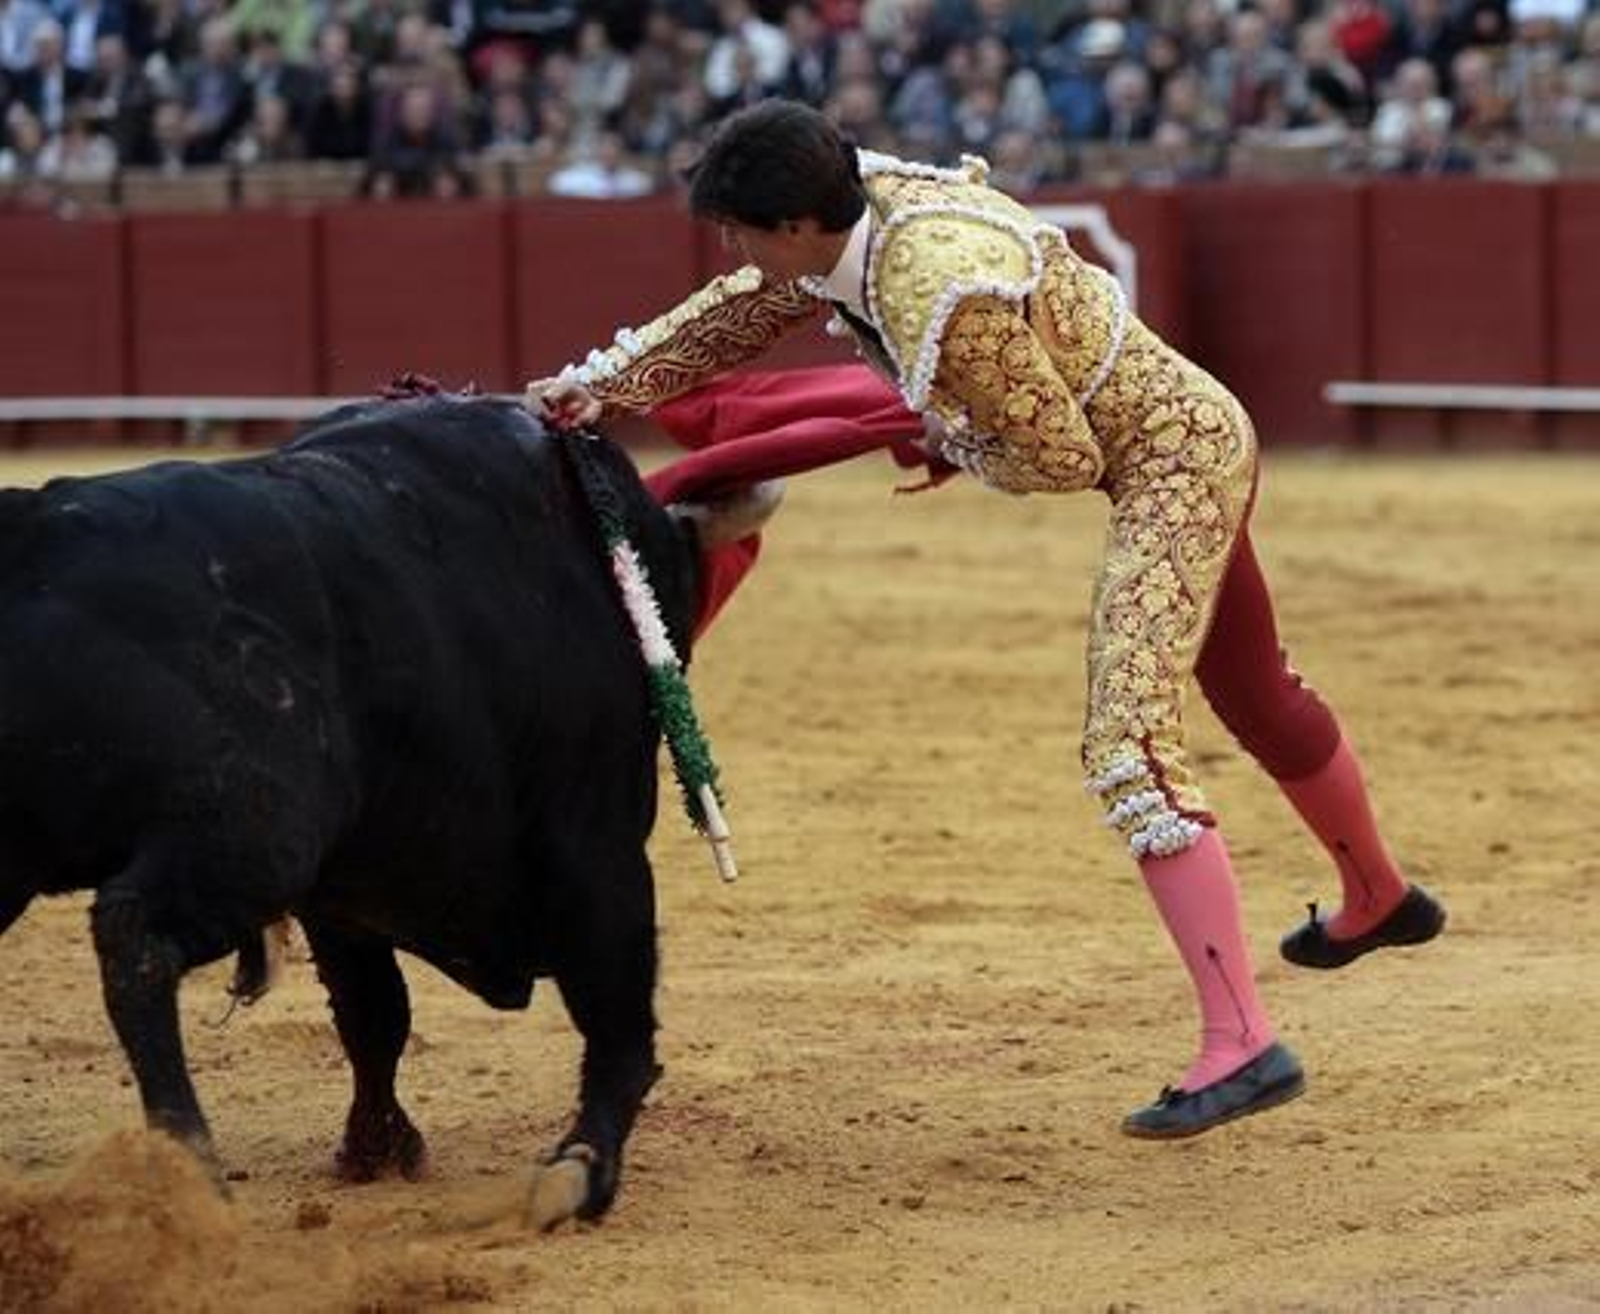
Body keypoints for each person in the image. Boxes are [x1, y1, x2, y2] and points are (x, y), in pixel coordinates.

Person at [527, 99, 1445, 1139]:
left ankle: (1242, 1043)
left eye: (740, 231)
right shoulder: (852, 202)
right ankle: (1380, 898)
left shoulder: (936, 286)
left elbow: (1061, 456)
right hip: (1176, 429)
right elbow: (748, 307)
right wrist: (604, 387)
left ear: (796, 224)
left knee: (1129, 743)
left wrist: (947, 437)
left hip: (1174, 464)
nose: (731, 249)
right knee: (1253, 690)